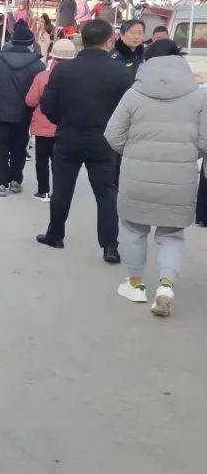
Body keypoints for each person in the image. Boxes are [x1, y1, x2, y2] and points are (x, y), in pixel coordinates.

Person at [104, 55, 207, 317]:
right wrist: (188, 155)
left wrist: (132, 152)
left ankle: (135, 285)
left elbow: (112, 135)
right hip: (179, 180)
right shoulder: (199, 98)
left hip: (136, 177)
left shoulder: (133, 95)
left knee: (133, 229)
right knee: (171, 235)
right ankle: (165, 287)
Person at [37, 19, 134, 263]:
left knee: (62, 188)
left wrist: (64, 120)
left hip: (69, 135)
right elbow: (128, 110)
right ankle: (110, 246)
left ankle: (55, 234)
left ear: (82, 39)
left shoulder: (64, 69)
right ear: (109, 40)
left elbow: (48, 105)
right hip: (104, 139)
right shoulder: (121, 71)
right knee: (106, 193)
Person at [0, 21, 45, 196]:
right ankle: (16, 180)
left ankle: (0, 183)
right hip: (24, 113)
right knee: (19, 147)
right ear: (31, 43)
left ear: (12, 40)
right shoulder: (38, 65)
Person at [25, 39, 75, 201]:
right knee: (60, 162)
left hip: (43, 125)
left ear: (53, 57)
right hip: (67, 127)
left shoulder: (42, 77)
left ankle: (43, 191)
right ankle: (59, 192)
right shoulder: (78, 78)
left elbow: (30, 101)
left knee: (42, 159)